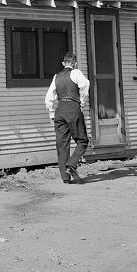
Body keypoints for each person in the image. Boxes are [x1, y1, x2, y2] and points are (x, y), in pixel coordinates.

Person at [44, 52, 90, 184]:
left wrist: (52, 114)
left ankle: (65, 178)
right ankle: (72, 164)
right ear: (74, 63)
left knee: (62, 144)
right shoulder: (76, 73)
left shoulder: (56, 76)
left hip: (60, 110)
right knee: (82, 140)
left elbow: (48, 98)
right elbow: (85, 84)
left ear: (63, 63)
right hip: (72, 108)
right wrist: (82, 101)